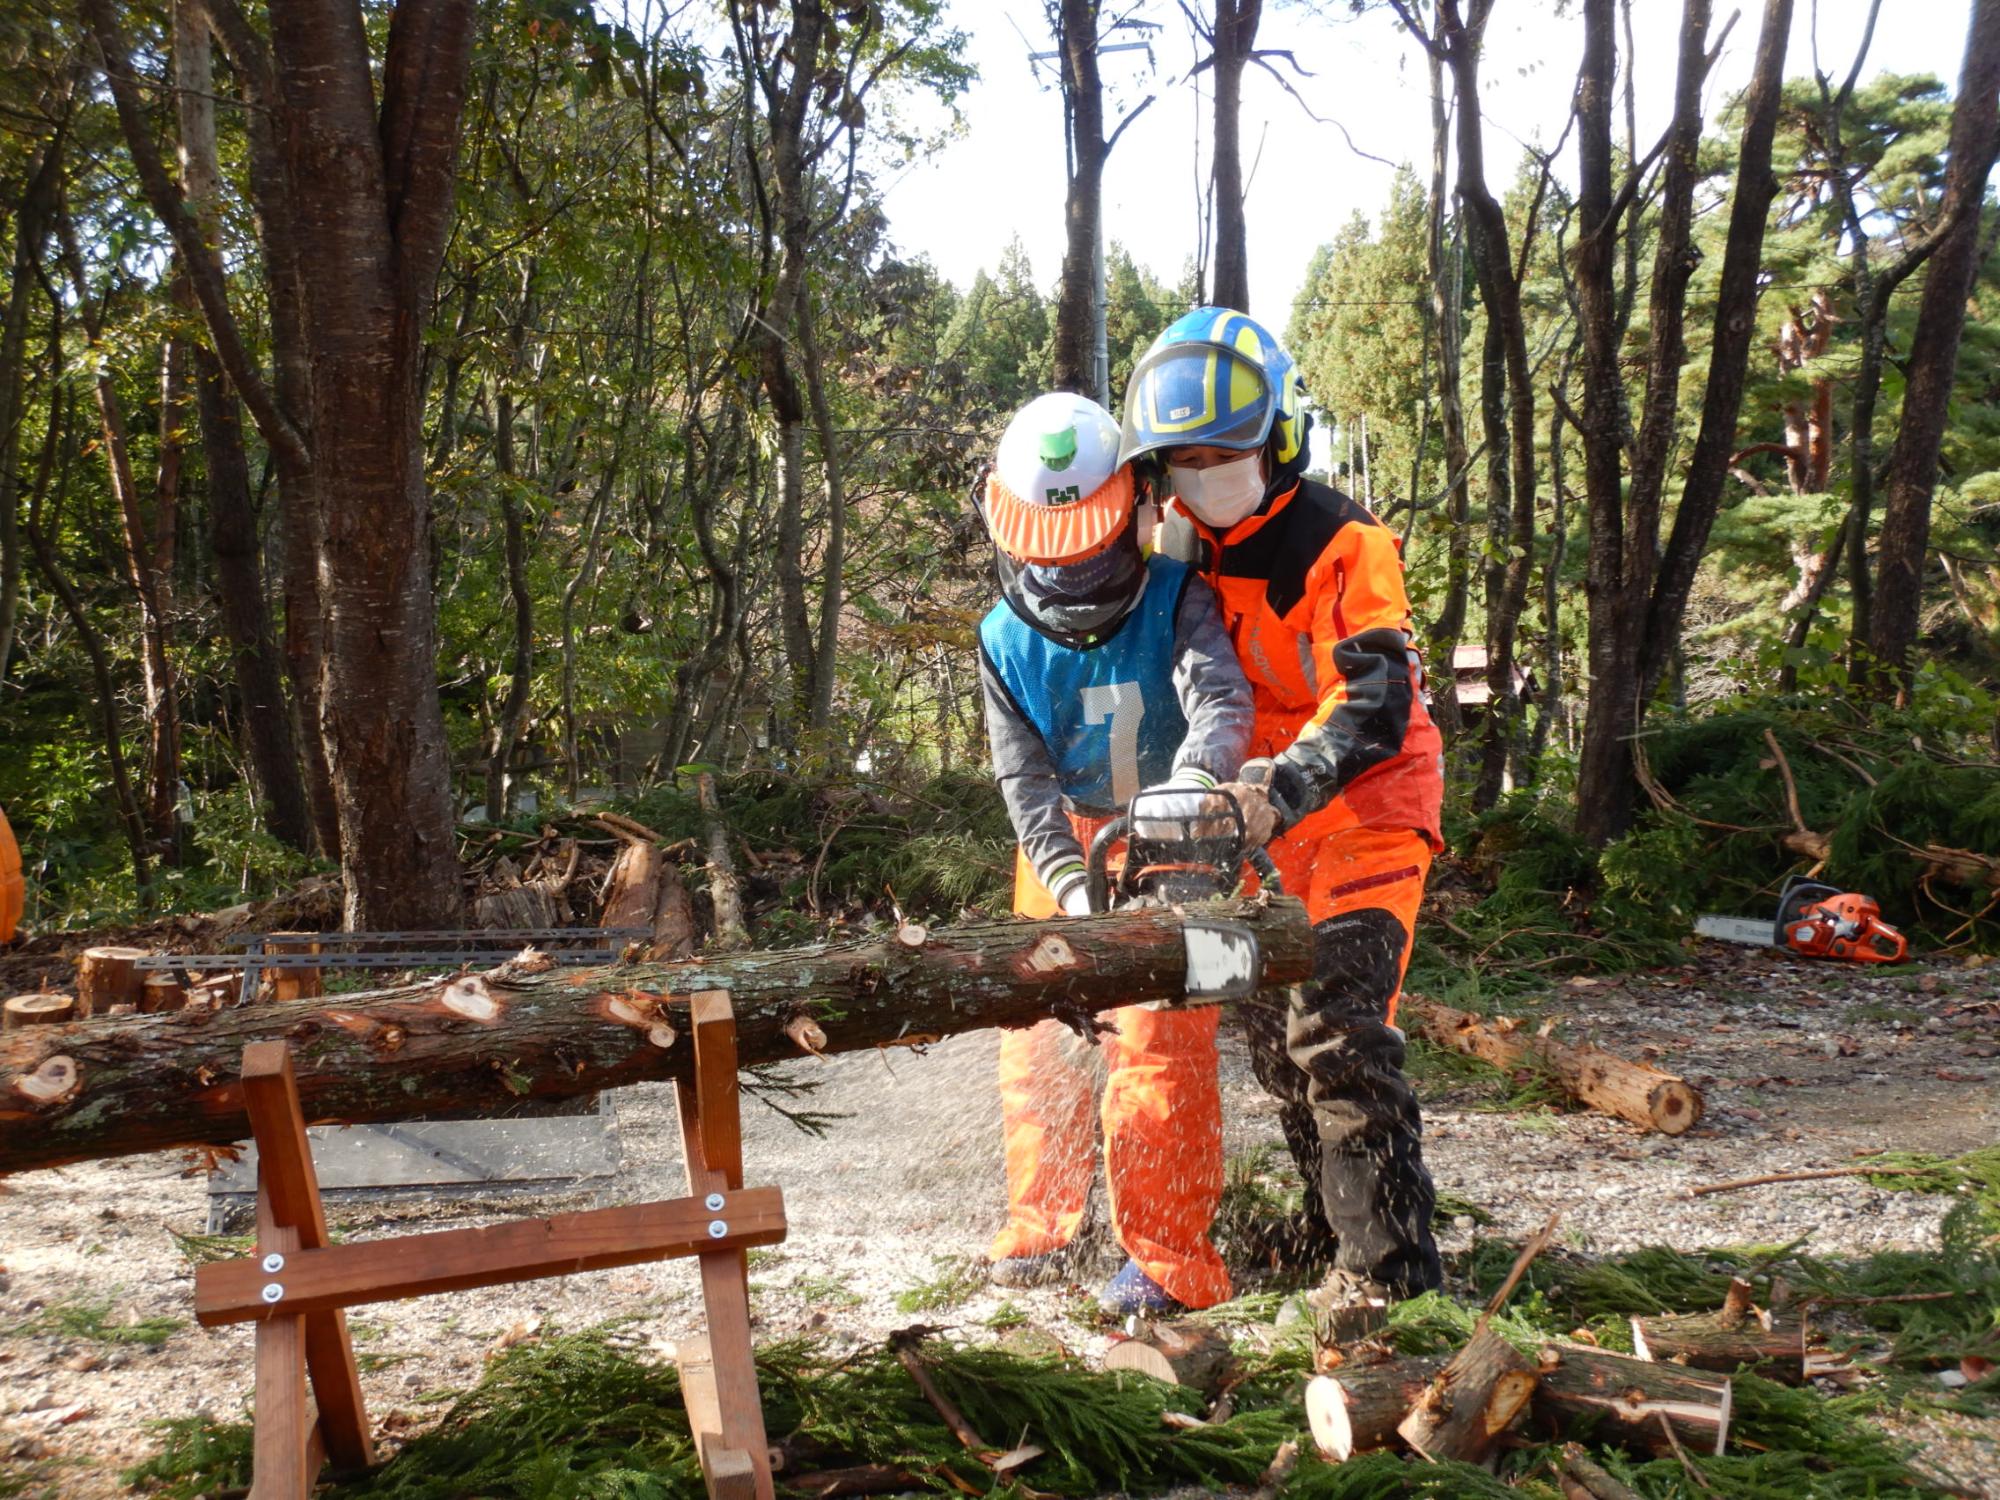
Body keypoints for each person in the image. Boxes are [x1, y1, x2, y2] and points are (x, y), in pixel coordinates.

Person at [1118, 308, 1447, 1319]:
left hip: (1365, 812)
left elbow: (1373, 695)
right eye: (1185, 460)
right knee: (1271, 1041)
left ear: (1277, 439)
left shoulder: (1343, 540)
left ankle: (1392, 1281)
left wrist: (1281, 784)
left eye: (1225, 454)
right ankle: (1329, 1226)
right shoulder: (1182, 550)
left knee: (1340, 1033)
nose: (1204, 474)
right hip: (1256, 836)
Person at [975, 389, 1254, 1316]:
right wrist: (1065, 882)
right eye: (1053, 552)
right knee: (1036, 1036)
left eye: (1088, 545)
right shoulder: (1004, 640)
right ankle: (1043, 1221)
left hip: (1171, 838)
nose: (1071, 571)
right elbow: (1023, 782)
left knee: (1159, 1041)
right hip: (1064, 834)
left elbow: (1219, 700)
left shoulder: (1178, 597)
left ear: (1133, 509)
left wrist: (1199, 779)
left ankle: (1171, 1256)